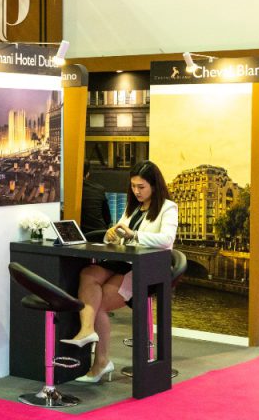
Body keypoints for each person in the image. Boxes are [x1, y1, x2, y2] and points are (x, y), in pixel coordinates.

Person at [64, 160, 177, 384]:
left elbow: (166, 240)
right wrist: (111, 235)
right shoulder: (132, 207)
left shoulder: (168, 207)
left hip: (145, 267)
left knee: (99, 304)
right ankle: (87, 330)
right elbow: (119, 234)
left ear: (154, 185)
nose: (136, 191)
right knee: (88, 273)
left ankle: (101, 362)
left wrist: (134, 235)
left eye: (141, 187)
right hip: (123, 260)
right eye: (133, 186)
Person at [80, 160, 112, 235]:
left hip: (76, 235)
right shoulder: (99, 189)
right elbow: (107, 219)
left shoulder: (67, 190)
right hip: (99, 234)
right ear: (87, 174)